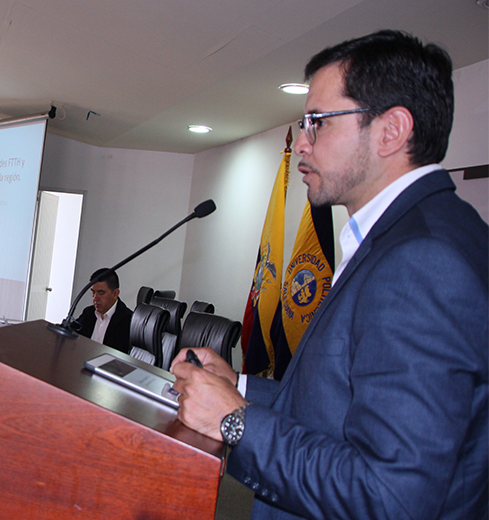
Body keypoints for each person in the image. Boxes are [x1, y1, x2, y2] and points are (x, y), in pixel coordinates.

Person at [170, 30, 487, 520]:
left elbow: (390, 497)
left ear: (391, 130)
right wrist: (242, 389)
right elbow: (344, 405)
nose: (301, 145)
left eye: (317, 122)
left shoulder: (422, 259)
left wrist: (235, 421)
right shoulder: (415, 236)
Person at [75, 268, 132, 354]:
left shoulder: (127, 320)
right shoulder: (88, 313)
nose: (95, 298)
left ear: (115, 293)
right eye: (93, 293)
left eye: (101, 293)